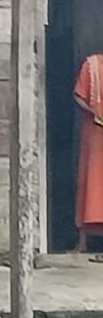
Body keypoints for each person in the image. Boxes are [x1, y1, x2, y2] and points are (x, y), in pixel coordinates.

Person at [73, 53, 103, 257]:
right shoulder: (91, 64)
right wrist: (93, 111)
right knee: (90, 183)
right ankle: (83, 242)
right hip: (95, 135)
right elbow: (78, 95)